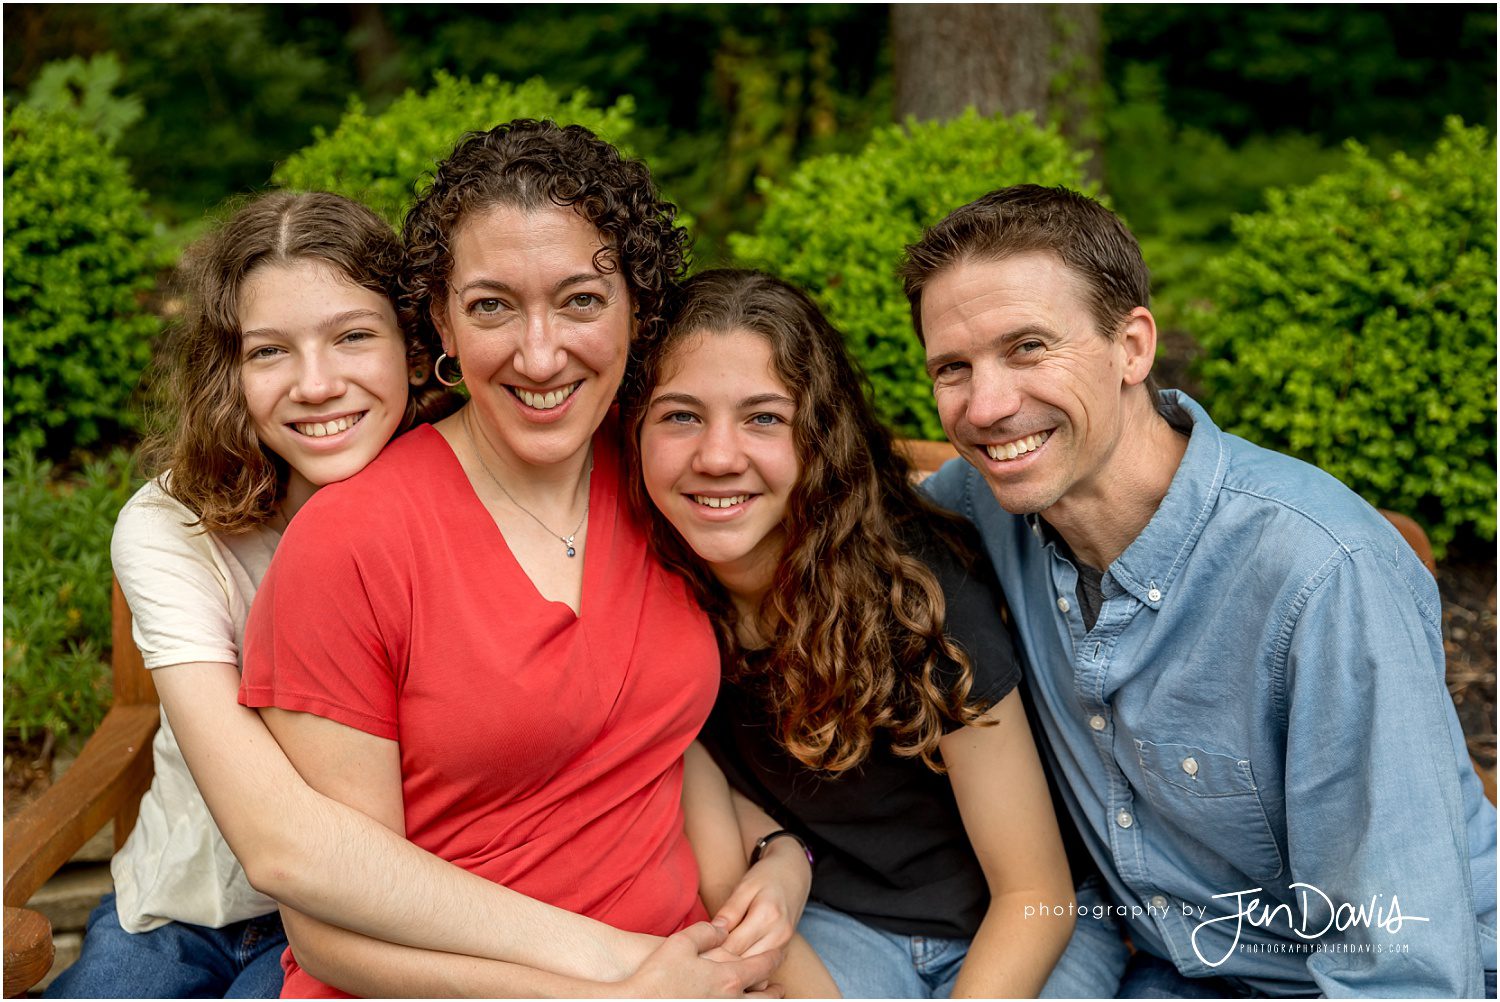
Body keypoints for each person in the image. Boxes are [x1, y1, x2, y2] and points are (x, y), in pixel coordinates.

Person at [237, 123, 791, 998]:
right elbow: (333, 938)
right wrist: (612, 993)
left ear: (638, 311)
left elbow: (632, 748)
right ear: (442, 325)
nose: (540, 355)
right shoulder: (353, 542)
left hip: (693, 965)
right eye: (493, 306)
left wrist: (780, 852)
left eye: (580, 301)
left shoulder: (661, 475)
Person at [909, 184, 1499, 997]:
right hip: (1162, 969)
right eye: (953, 368)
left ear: (1133, 346)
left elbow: (1404, 970)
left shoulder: (1323, 574)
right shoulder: (990, 501)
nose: (987, 406)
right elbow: (835, 499)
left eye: (1029, 348)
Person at [46, 190, 460, 998]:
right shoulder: (172, 525)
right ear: (227, 372)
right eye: (269, 352)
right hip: (183, 908)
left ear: (413, 346)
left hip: (380, 912)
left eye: (352, 337)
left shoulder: (464, 500)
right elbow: (270, 830)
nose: (316, 384)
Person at [624, 268, 1077, 998]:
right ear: (632, 430)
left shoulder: (918, 595)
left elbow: (1032, 894)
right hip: (834, 923)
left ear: (821, 437)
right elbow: (712, 852)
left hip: (1014, 925)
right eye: (679, 415)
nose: (716, 455)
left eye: (764, 418)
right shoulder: (647, 595)